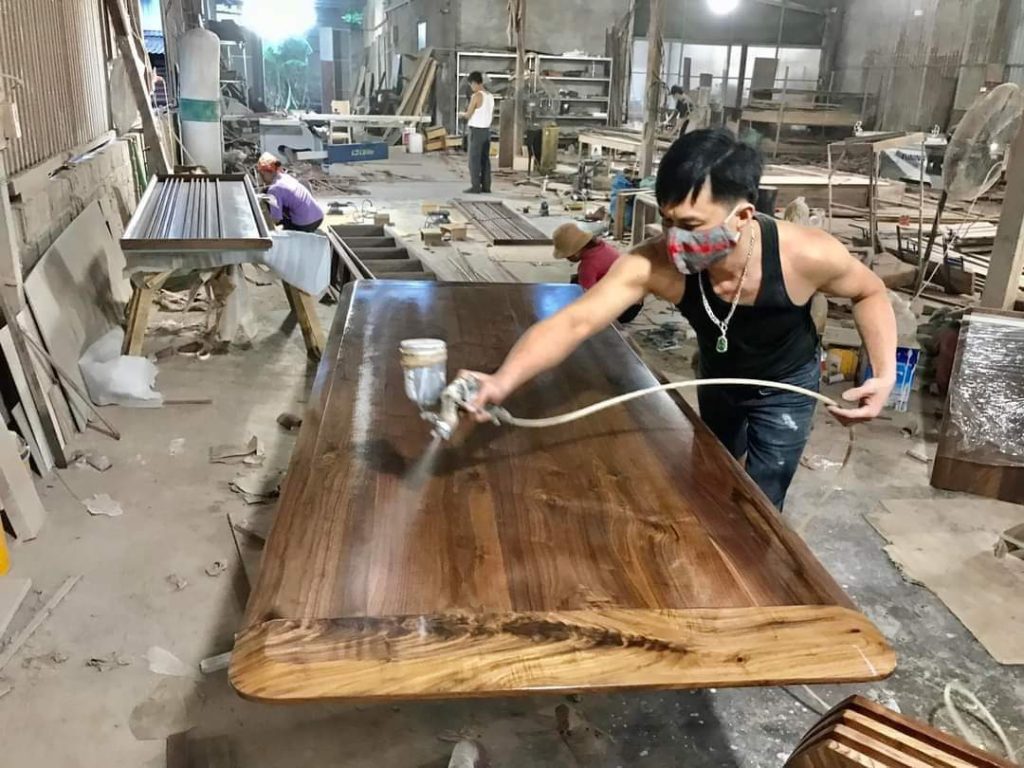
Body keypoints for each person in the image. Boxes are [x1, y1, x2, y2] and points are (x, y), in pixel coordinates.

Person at [463, 128, 897, 510]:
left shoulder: (806, 255)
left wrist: (884, 374)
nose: (674, 240)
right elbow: (573, 322)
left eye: (690, 224)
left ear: (742, 217)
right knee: (715, 469)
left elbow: (870, 291)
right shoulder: (654, 264)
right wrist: (501, 381)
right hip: (718, 376)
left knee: (764, 495)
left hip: (786, 384)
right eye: (667, 221)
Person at [553, 222, 643, 324]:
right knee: (578, 281)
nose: (567, 258)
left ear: (576, 251)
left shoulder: (588, 266)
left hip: (623, 311)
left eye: (567, 255)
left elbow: (588, 297)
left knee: (577, 287)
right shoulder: (603, 246)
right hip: (635, 302)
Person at [256, 152, 325, 232]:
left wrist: (262, 224)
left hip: (305, 224)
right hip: (318, 216)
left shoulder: (274, 189)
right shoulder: (285, 177)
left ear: (265, 172)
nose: (260, 177)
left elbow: (276, 219)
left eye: (261, 174)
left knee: (267, 198)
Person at [462, 72, 494, 194]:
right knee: (485, 160)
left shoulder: (476, 96)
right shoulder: (490, 96)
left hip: (476, 131)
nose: (471, 88)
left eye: (471, 85)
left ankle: (475, 186)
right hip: (487, 131)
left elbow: (468, 114)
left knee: (474, 160)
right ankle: (486, 186)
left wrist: (462, 115)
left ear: (475, 83)